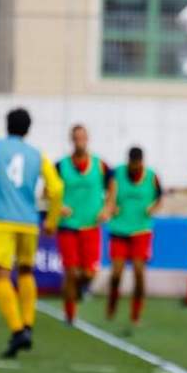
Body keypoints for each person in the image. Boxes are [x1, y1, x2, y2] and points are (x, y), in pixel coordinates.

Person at [0, 108, 64, 358]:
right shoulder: (37, 154)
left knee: (1, 275)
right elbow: (56, 188)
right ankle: (28, 325)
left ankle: (17, 329)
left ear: (7, 125)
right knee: (25, 272)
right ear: (28, 129)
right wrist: (52, 220)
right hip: (28, 222)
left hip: (0, 219)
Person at [56, 125, 113, 325]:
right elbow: (48, 190)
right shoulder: (61, 166)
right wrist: (58, 206)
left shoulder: (100, 165)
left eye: (83, 137)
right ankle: (70, 315)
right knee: (71, 271)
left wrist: (108, 208)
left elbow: (113, 186)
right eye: (76, 137)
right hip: (68, 225)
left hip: (91, 225)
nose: (80, 140)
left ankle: (76, 290)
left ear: (87, 139)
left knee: (90, 273)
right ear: (71, 140)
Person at [104, 146, 162, 330]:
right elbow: (106, 193)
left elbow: (159, 197)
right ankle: (112, 303)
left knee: (139, 272)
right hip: (119, 229)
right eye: (132, 163)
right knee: (116, 273)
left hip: (141, 230)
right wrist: (110, 206)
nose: (135, 167)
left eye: (137, 164)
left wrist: (153, 208)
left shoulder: (152, 177)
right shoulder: (116, 174)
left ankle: (136, 313)